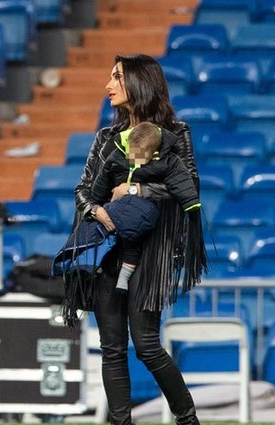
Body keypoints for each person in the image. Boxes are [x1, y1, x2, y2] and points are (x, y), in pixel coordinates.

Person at [74, 54, 207, 425]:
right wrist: (98, 212)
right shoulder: (106, 138)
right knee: (112, 349)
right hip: (108, 251)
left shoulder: (176, 134)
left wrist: (135, 189)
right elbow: (84, 189)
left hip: (153, 254)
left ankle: (187, 420)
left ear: (139, 82)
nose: (108, 85)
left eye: (116, 77)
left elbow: (188, 188)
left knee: (147, 345)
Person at [90, 121, 202, 294]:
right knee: (99, 233)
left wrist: (191, 204)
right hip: (114, 208)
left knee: (133, 241)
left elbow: (183, 184)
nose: (133, 158)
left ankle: (124, 277)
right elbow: (103, 178)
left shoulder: (167, 163)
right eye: (131, 152)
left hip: (139, 212)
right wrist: (95, 201)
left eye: (139, 155)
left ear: (154, 154)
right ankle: (95, 265)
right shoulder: (117, 155)